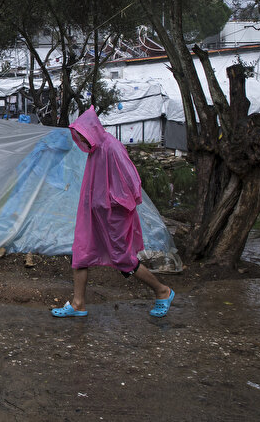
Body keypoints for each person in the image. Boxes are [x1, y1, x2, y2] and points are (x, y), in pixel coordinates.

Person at [52, 107, 174, 318]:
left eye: (83, 135)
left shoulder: (112, 148)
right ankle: (78, 303)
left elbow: (132, 183)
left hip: (113, 217)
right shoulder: (95, 148)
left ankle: (162, 291)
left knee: (123, 259)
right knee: (81, 252)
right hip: (92, 214)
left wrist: (111, 203)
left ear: (92, 131)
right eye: (79, 136)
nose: (81, 140)